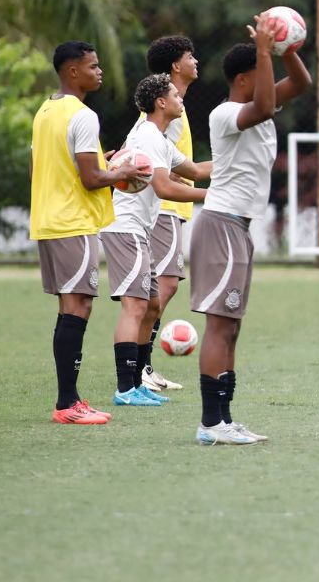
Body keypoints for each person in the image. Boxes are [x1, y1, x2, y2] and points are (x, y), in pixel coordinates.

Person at [189, 14, 311, 445]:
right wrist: (264, 49)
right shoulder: (226, 113)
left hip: (237, 228)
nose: (269, 79)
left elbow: (300, 87)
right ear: (245, 77)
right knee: (220, 326)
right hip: (220, 224)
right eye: (262, 71)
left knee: (232, 326)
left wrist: (287, 50)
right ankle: (210, 423)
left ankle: (223, 418)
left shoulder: (255, 107)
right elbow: (262, 104)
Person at [30, 41, 145, 425]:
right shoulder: (82, 115)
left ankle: (68, 400)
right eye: (93, 66)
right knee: (78, 306)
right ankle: (67, 403)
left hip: (49, 219)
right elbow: (92, 179)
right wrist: (123, 174)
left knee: (70, 307)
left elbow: (49, 166)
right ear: (72, 71)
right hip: (72, 221)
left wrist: (104, 162)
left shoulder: (46, 110)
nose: (100, 71)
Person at [101, 74, 211, 406]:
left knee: (149, 305)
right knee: (135, 307)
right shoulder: (148, 135)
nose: (181, 100)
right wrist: (213, 195)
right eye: (175, 95)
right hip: (127, 227)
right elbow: (164, 188)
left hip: (138, 231)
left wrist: (235, 167)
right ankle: (125, 389)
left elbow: (192, 169)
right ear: (160, 102)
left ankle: (136, 383)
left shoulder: (158, 138)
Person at [138, 35, 202, 393]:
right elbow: (159, 167)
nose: (196, 61)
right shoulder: (168, 112)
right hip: (161, 206)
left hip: (170, 207)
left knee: (166, 285)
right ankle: (141, 365)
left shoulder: (175, 107)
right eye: (190, 57)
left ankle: (143, 365)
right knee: (165, 284)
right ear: (176, 66)